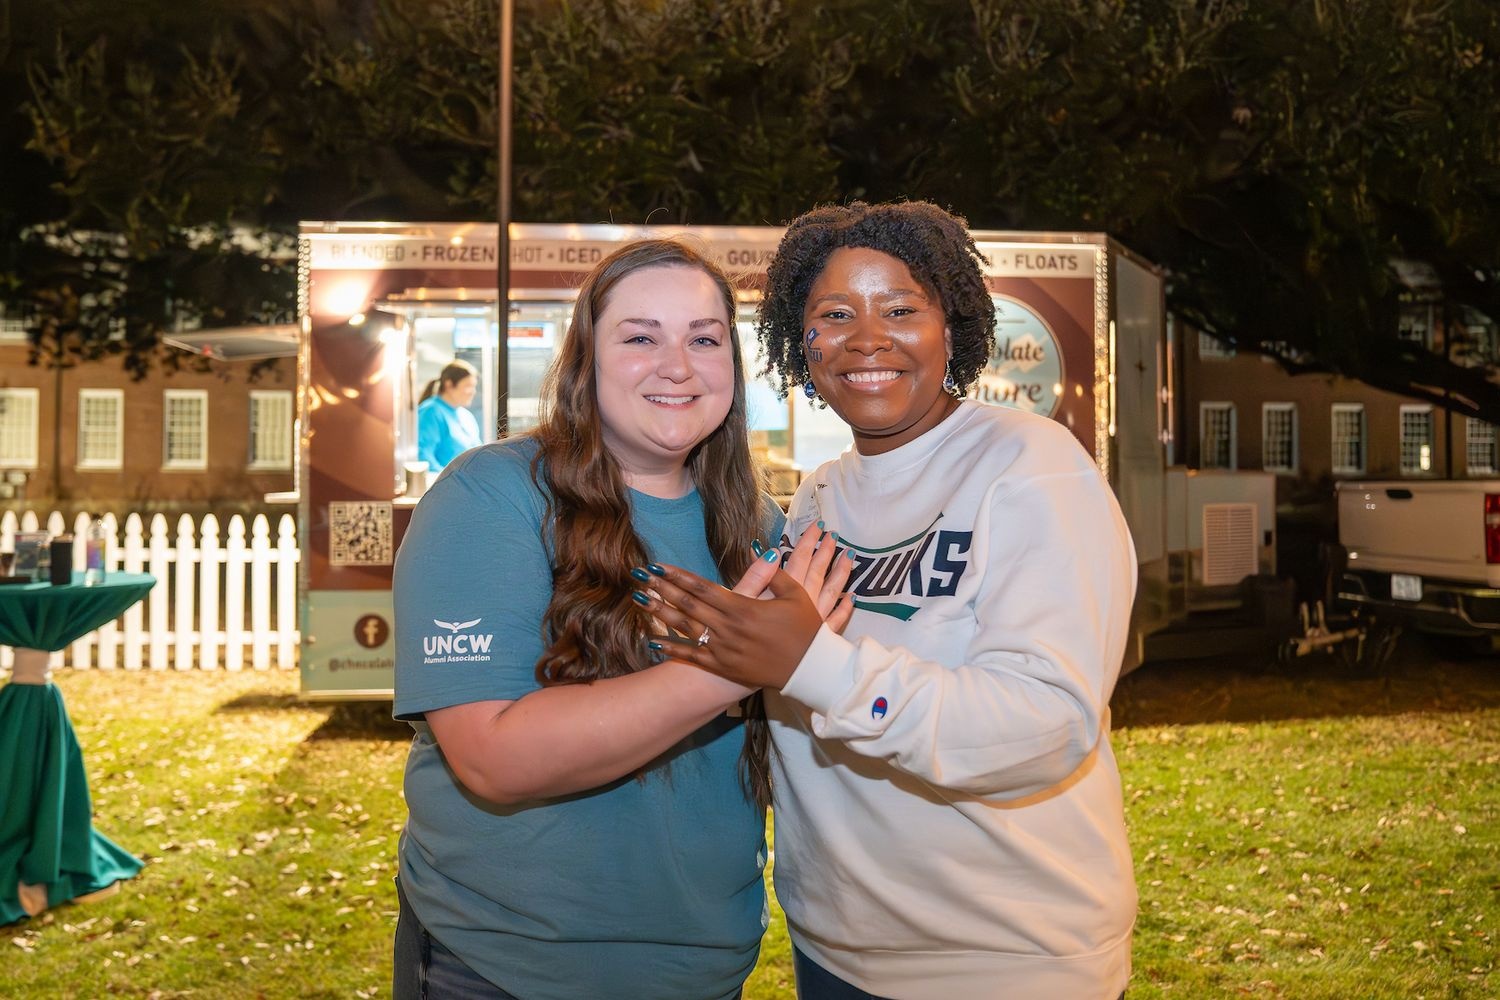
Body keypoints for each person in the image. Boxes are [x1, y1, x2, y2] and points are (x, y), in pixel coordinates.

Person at [640, 201, 1139, 999]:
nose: (867, 339)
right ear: (800, 345)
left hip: (1005, 957)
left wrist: (814, 665)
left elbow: (1048, 724)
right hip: (838, 948)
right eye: (833, 314)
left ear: (956, 327)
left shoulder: (1029, 465)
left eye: (901, 309)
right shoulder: (815, 500)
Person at [390, 238, 850, 1000]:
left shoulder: (759, 527)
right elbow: (492, 760)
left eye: (704, 339)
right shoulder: (492, 498)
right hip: (506, 966)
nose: (678, 365)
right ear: (586, 361)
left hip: (705, 963)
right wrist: (739, 661)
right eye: (640, 338)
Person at [416, 358, 483, 472]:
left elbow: (479, 453)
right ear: (449, 384)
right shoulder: (430, 412)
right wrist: (446, 483)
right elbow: (423, 454)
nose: (473, 392)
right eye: (468, 386)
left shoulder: (466, 416)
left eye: (474, 386)